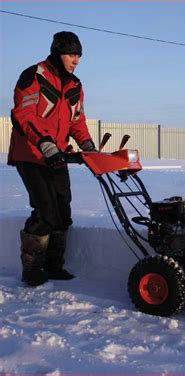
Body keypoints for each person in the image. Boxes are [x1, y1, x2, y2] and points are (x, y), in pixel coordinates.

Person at [7, 31, 96, 287]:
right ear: (58, 53)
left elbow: (77, 121)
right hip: (31, 154)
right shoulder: (34, 76)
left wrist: (87, 145)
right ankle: (32, 268)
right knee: (45, 210)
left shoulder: (76, 86)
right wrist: (45, 144)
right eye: (72, 54)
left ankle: (54, 266)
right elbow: (23, 114)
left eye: (79, 55)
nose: (76, 60)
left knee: (63, 209)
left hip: (57, 156)